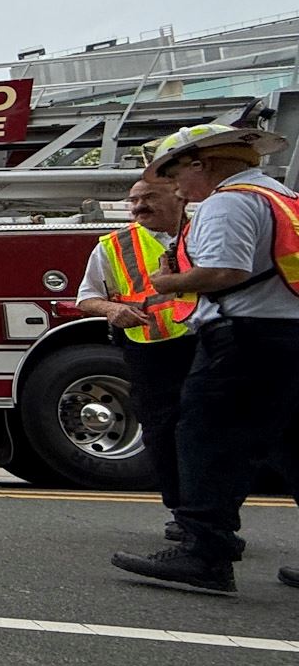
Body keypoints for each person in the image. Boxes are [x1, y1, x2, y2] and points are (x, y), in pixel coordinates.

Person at [111, 124, 299, 594]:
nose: (176, 187)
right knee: (294, 448)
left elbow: (224, 270)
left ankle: (205, 554)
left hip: (244, 340)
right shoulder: (285, 200)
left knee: (206, 442)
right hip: (287, 336)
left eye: (176, 174)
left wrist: (167, 282)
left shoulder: (228, 201)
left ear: (201, 163)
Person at [75, 175, 194, 530]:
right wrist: (112, 311)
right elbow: (87, 297)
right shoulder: (114, 245)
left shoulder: (206, 231)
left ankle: (212, 516)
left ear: (180, 197)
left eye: (149, 197)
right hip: (152, 351)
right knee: (162, 431)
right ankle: (183, 514)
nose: (139, 206)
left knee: (212, 431)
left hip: (209, 345)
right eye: (134, 200)